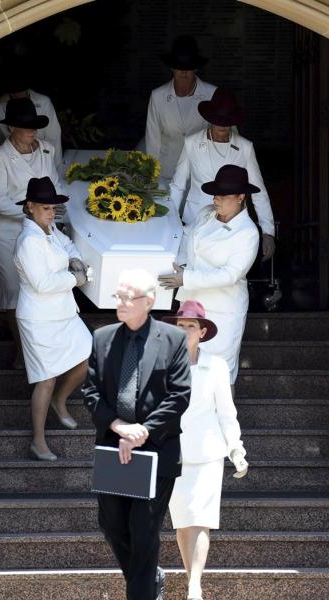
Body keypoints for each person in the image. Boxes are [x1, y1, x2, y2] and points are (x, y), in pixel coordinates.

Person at [83, 268, 191, 600]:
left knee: (144, 531)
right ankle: (149, 578)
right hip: (114, 448)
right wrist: (118, 427)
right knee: (113, 525)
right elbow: (91, 392)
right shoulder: (103, 338)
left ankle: (142, 592)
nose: (121, 303)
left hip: (155, 450)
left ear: (148, 301)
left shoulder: (171, 339)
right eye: (118, 296)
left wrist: (142, 431)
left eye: (128, 297)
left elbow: (179, 395)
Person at [162, 300, 248, 600]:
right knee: (184, 523)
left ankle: (195, 585)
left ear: (201, 332)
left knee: (201, 520)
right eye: (180, 326)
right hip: (171, 453)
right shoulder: (160, 365)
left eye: (190, 327)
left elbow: (227, 412)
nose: (185, 331)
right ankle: (191, 578)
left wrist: (236, 449)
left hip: (208, 452)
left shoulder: (217, 366)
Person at [158, 164, 260, 385]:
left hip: (223, 310)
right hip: (192, 306)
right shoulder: (206, 213)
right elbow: (188, 240)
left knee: (220, 374)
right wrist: (178, 265)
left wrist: (186, 277)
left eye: (223, 195)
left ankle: (226, 420)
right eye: (215, 193)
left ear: (241, 196)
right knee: (187, 370)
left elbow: (230, 275)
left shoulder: (248, 233)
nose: (216, 199)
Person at [14, 176, 92, 460]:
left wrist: (74, 261)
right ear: (30, 207)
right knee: (45, 380)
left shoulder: (48, 230)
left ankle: (60, 401)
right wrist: (74, 278)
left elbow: (68, 244)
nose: (51, 213)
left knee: (88, 355)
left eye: (53, 209)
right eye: (46, 208)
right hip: (38, 318)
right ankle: (38, 440)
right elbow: (42, 284)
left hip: (63, 313)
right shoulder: (28, 241)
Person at [0, 96, 66, 367]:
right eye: (25, 125)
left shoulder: (46, 150)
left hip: (43, 232)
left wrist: (48, 215)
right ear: (10, 127)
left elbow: (54, 187)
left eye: (34, 124)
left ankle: (42, 351)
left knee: (42, 288)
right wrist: (29, 213)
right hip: (6, 234)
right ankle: (23, 352)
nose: (32, 129)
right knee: (14, 294)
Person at [169, 86, 275, 260]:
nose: (223, 127)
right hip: (195, 219)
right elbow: (178, 185)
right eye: (218, 121)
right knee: (190, 272)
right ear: (210, 119)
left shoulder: (245, 147)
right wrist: (170, 222)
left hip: (232, 225)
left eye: (227, 122)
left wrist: (268, 232)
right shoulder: (191, 143)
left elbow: (259, 191)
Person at [145, 35, 216, 181]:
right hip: (167, 173)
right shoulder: (158, 96)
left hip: (202, 174)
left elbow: (227, 136)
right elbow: (153, 140)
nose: (183, 72)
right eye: (179, 67)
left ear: (196, 68)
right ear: (171, 67)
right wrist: (152, 175)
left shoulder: (212, 94)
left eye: (188, 67)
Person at [0, 68, 63, 173]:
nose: (18, 94)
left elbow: (54, 138)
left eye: (21, 90)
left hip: (41, 162)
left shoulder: (44, 102)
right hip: (10, 165)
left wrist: (56, 171)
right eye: (14, 91)